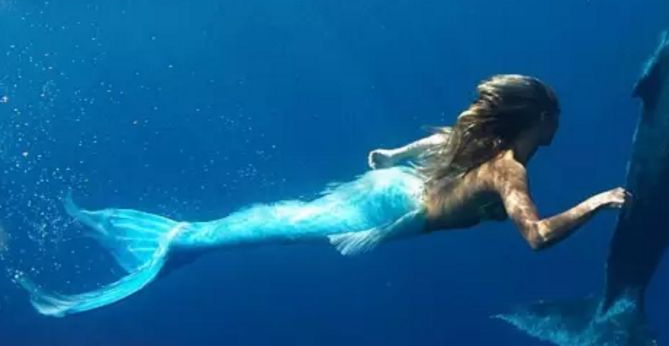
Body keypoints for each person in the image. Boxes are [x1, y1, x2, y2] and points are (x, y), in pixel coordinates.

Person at [21, 74, 629, 317]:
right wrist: (597, 202)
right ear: (539, 121)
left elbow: (440, 140)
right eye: (555, 116)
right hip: (395, 209)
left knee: (290, 216)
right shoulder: (508, 170)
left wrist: (392, 157)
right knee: (279, 228)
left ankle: (174, 237)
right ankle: (176, 242)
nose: (559, 124)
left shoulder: (479, 143)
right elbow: (537, 237)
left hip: (394, 188)